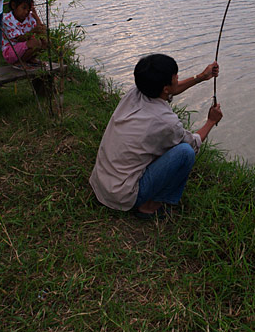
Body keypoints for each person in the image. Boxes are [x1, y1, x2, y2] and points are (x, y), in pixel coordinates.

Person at [90, 54, 223, 220]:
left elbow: (169, 90)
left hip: (101, 182)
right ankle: (149, 208)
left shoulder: (135, 92)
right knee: (185, 152)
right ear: (165, 88)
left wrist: (201, 77)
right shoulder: (166, 122)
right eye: (175, 77)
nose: (178, 78)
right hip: (123, 195)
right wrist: (211, 121)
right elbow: (193, 143)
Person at [1, 0, 47, 66]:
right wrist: (33, 31)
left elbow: (42, 31)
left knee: (45, 41)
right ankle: (19, 62)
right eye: (24, 8)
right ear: (13, 6)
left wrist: (36, 17)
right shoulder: (7, 19)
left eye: (29, 9)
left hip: (24, 47)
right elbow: (20, 38)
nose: (26, 12)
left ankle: (30, 59)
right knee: (35, 42)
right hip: (11, 51)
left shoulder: (29, 17)